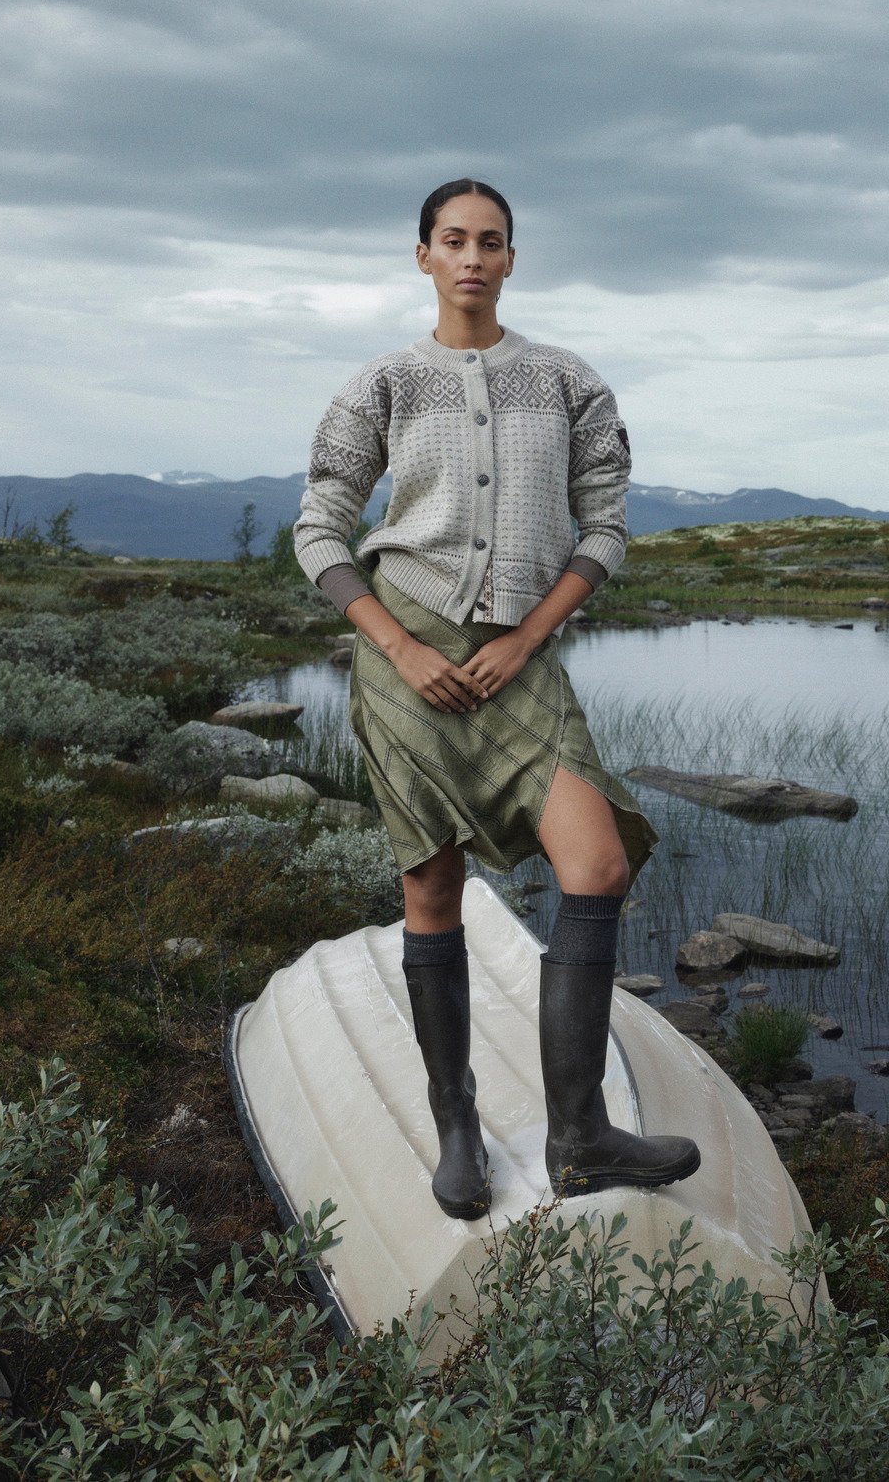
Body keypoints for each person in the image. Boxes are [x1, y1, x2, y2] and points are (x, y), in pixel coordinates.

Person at [292, 177, 700, 1220]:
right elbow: (319, 530)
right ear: (421, 254)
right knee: (430, 898)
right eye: (453, 241)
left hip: (522, 661)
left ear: (513, 259)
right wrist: (392, 647)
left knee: (596, 864)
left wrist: (527, 636)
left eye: (492, 242)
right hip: (403, 661)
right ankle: (457, 1129)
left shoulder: (566, 382)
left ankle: (578, 1137)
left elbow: (604, 527)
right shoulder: (381, 384)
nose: (472, 258)